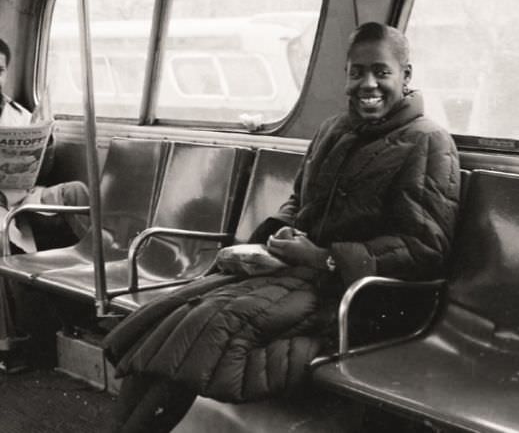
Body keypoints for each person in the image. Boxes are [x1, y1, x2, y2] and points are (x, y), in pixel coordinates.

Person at [104, 22, 461, 433]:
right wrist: (274, 238)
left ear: (406, 76)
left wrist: (325, 259)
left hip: (358, 296)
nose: (368, 84)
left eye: (381, 72)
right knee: (167, 316)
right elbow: (299, 201)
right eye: (356, 71)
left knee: (208, 328)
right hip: (295, 276)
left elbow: (424, 248)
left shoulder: (428, 142)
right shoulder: (334, 130)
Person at [0, 38, 89, 253]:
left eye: (0, 71)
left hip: (22, 197)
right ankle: (14, 284)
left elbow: (40, 175)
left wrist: (45, 144)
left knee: (77, 192)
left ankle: (97, 262)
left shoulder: (21, 117)